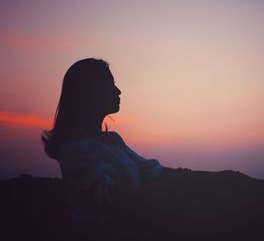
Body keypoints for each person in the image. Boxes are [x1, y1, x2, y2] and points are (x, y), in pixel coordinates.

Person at [41, 58, 253, 227]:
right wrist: (184, 191)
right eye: (109, 84)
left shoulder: (112, 141)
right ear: (89, 93)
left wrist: (219, 178)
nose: (118, 91)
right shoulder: (78, 150)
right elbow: (116, 203)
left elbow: (151, 171)